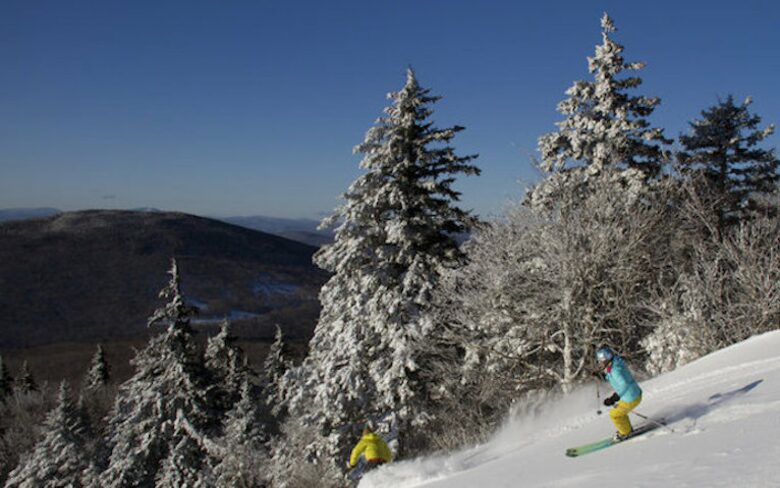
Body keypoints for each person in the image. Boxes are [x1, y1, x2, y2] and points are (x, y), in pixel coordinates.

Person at [595, 346, 642, 441]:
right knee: (618, 411)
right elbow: (612, 376)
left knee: (614, 414)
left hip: (631, 397)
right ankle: (627, 429)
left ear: (606, 359)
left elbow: (623, 383)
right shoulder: (615, 365)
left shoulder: (615, 369)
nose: (600, 363)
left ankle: (625, 433)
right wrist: (601, 376)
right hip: (632, 394)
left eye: (601, 361)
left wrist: (614, 397)